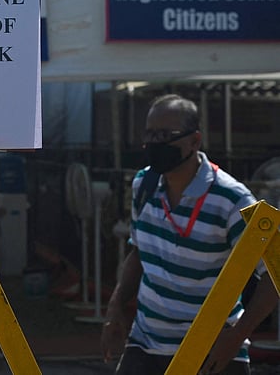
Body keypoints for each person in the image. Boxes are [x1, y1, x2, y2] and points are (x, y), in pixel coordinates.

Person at [101, 94, 278, 374]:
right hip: (147, 344)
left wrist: (234, 338)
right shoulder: (143, 185)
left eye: (165, 134)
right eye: (150, 133)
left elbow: (274, 274)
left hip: (211, 352)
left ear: (195, 141)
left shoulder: (231, 199)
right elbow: (139, 251)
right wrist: (116, 307)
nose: (155, 142)